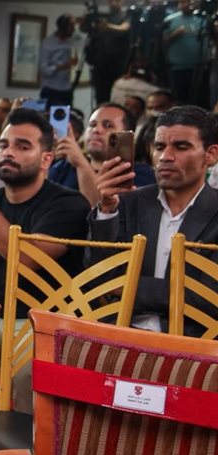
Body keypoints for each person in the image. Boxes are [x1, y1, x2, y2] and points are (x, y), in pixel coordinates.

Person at [0, 107, 91, 417]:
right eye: (4, 145)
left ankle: (29, 447)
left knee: (31, 372)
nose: (8, 152)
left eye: (22, 146)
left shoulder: (68, 205)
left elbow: (25, 259)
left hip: (45, 323)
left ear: (46, 159)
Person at [89, 105, 218, 334]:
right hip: (120, 335)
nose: (166, 157)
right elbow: (97, 279)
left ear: (211, 155)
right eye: (159, 147)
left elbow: (209, 298)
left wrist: (130, 287)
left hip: (192, 344)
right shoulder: (126, 203)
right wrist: (107, 210)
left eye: (181, 147)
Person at [48, 103, 155, 205]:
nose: (96, 130)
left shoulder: (138, 174)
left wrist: (81, 163)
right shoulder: (63, 167)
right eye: (92, 125)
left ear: (126, 136)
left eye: (108, 125)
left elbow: (98, 210)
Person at [84, 0, 132, 104]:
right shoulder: (102, 16)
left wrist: (108, 26)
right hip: (101, 63)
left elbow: (125, 28)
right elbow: (84, 29)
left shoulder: (127, 15)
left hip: (120, 64)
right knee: (101, 98)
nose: (114, 3)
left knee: (118, 97)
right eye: (111, 0)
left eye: (117, 0)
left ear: (123, 0)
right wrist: (88, 18)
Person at [164, 0, 205, 106]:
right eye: (182, 1)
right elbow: (161, 44)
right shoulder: (170, 20)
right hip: (177, 69)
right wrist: (174, 35)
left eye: (189, 1)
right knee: (179, 103)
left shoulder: (204, 19)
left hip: (201, 69)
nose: (186, 4)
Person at [38, 15, 77, 107]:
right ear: (63, 27)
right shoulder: (48, 43)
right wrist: (64, 66)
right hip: (51, 90)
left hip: (67, 90)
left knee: (68, 115)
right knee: (49, 115)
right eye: (71, 27)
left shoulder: (71, 42)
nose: (73, 30)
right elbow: (44, 69)